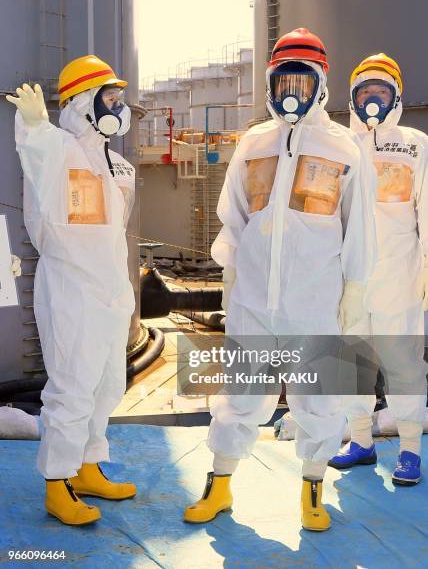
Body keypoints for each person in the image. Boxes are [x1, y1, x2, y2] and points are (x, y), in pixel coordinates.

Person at [183, 28, 375, 531]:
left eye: (303, 82)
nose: (293, 93)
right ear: (271, 82)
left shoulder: (345, 148)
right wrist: (232, 275)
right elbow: (234, 218)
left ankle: (313, 489)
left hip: (314, 301)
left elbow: (360, 228)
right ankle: (219, 486)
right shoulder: (253, 143)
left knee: (319, 399)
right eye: (284, 81)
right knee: (240, 395)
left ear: (320, 84)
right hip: (253, 301)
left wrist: (354, 289)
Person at [7, 55, 137, 525]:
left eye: (119, 98)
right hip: (71, 290)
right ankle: (57, 484)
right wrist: (33, 123)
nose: (117, 106)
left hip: (110, 290)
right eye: (108, 97)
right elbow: (37, 154)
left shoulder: (118, 165)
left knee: (106, 386)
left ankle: (86, 468)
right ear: (82, 102)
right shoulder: (57, 148)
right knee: (72, 388)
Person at [329, 54, 428, 486]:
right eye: (365, 93)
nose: (373, 100)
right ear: (352, 99)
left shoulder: (415, 144)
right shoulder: (338, 146)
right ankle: (361, 442)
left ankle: (409, 449)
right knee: (352, 362)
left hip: (398, 279)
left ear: (396, 98)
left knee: (404, 363)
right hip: (350, 279)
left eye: (381, 92)